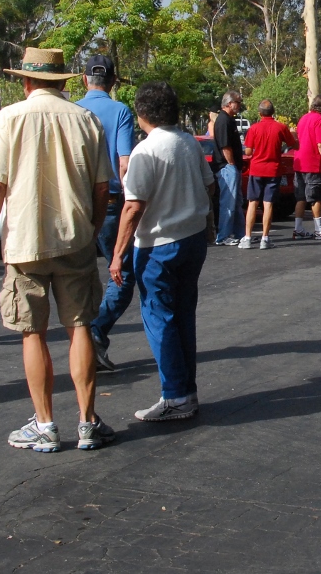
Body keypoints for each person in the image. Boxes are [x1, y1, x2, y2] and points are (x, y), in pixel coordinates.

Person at [0, 48, 113, 453]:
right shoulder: (85, 120)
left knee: (32, 332)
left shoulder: (10, 118)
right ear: (65, 82)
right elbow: (102, 187)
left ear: (26, 81)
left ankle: (45, 424)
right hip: (75, 238)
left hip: (25, 242)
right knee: (79, 326)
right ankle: (87, 421)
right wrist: (90, 225)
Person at [109, 81, 215, 421]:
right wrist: (209, 225)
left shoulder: (146, 151)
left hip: (158, 248)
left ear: (142, 113)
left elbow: (133, 207)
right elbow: (209, 185)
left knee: (160, 320)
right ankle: (186, 391)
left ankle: (176, 395)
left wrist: (117, 254)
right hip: (192, 239)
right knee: (183, 316)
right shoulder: (188, 142)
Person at [76, 54, 137, 374]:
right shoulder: (120, 111)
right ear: (113, 81)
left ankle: (82, 342)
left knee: (79, 276)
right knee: (123, 274)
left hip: (73, 204)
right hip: (110, 203)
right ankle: (95, 333)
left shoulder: (71, 111)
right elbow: (124, 162)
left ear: (84, 80)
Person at [240, 99, 297, 250]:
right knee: (268, 204)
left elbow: (248, 151)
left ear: (259, 113)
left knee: (252, 203)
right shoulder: (280, 127)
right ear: (273, 112)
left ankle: (247, 237)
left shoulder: (254, 128)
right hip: (273, 169)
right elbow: (294, 144)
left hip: (257, 169)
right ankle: (265, 238)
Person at [292, 94, 321, 241]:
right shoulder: (320, 120)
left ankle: (298, 229)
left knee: (301, 197)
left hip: (299, 161)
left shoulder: (304, 118)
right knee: (316, 197)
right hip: (312, 163)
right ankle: (319, 230)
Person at [211, 91, 246, 245]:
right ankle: (223, 236)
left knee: (237, 202)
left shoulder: (229, 120)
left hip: (232, 166)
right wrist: (231, 164)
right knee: (228, 202)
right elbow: (225, 146)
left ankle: (240, 233)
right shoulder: (223, 120)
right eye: (237, 102)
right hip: (226, 167)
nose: (239, 105)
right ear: (228, 103)